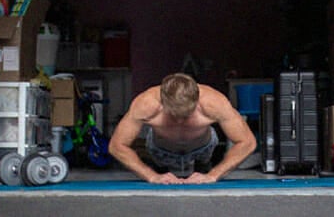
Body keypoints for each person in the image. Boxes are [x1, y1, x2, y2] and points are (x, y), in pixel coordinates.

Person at [109, 73, 256, 184]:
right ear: (163, 102)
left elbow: (247, 142)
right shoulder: (146, 104)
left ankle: (204, 166)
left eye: (186, 115)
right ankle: (160, 169)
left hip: (203, 149)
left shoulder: (214, 102)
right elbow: (117, 146)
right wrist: (151, 175)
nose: (179, 120)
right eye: (174, 115)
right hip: (160, 151)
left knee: (204, 187)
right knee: (160, 186)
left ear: (197, 100)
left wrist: (213, 175)